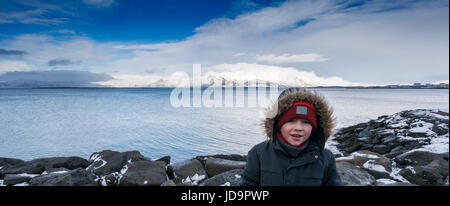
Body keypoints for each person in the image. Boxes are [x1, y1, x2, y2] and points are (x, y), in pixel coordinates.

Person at [241, 88, 343, 186]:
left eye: (306, 122)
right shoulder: (258, 153)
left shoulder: (326, 157)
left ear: (314, 127)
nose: (298, 128)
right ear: (278, 124)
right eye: (291, 121)